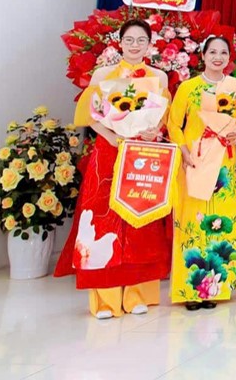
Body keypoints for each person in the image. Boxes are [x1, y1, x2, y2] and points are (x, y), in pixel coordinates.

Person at [54, 19, 171, 320]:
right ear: (120, 42)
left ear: (149, 44)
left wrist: (153, 131)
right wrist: (110, 136)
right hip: (109, 151)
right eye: (129, 39)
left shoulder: (158, 76)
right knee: (102, 220)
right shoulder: (103, 74)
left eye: (141, 40)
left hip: (141, 153)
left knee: (140, 218)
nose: (135, 45)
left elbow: (163, 116)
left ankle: (136, 294)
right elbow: (90, 115)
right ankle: (104, 299)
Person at [168, 35, 236, 311]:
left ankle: (215, 286)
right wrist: (183, 151)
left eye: (223, 53)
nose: (217, 57)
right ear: (203, 56)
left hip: (224, 164)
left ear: (229, 57)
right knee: (193, 221)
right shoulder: (188, 88)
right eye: (212, 52)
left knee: (219, 221)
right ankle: (191, 288)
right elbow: (174, 124)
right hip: (195, 161)